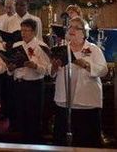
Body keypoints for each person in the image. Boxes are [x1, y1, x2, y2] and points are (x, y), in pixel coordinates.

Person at [50, 16, 108, 148]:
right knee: (62, 141)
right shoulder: (61, 48)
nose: (72, 29)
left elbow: (103, 70)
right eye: (70, 26)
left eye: (77, 27)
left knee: (86, 141)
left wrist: (86, 65)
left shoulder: (93, 49)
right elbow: (51, 72)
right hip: (64, 101)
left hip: (86, 104)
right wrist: (54, 66)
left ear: (84, 32)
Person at [7, 18, 50, 144]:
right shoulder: (16, 46)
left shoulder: (42, 47)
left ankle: (33, 144)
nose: (23, 33)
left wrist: (35, 66)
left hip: (34, 86)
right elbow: (11, 68)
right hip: (19, 85)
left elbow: (47, 70)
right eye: (22, 30)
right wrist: (10, 68)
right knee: (20, 116)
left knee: (33, 118)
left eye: (27, 30)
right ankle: (22, 144)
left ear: (34, 32)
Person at [0, 0, 15, 121]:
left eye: (10, 6)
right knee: (3, 84)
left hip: (14, 54)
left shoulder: (18, 20)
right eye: (6, 6)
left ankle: (13, 111)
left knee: (12, 86)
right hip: (2, 53)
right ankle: (2, 109)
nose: (8, 9)